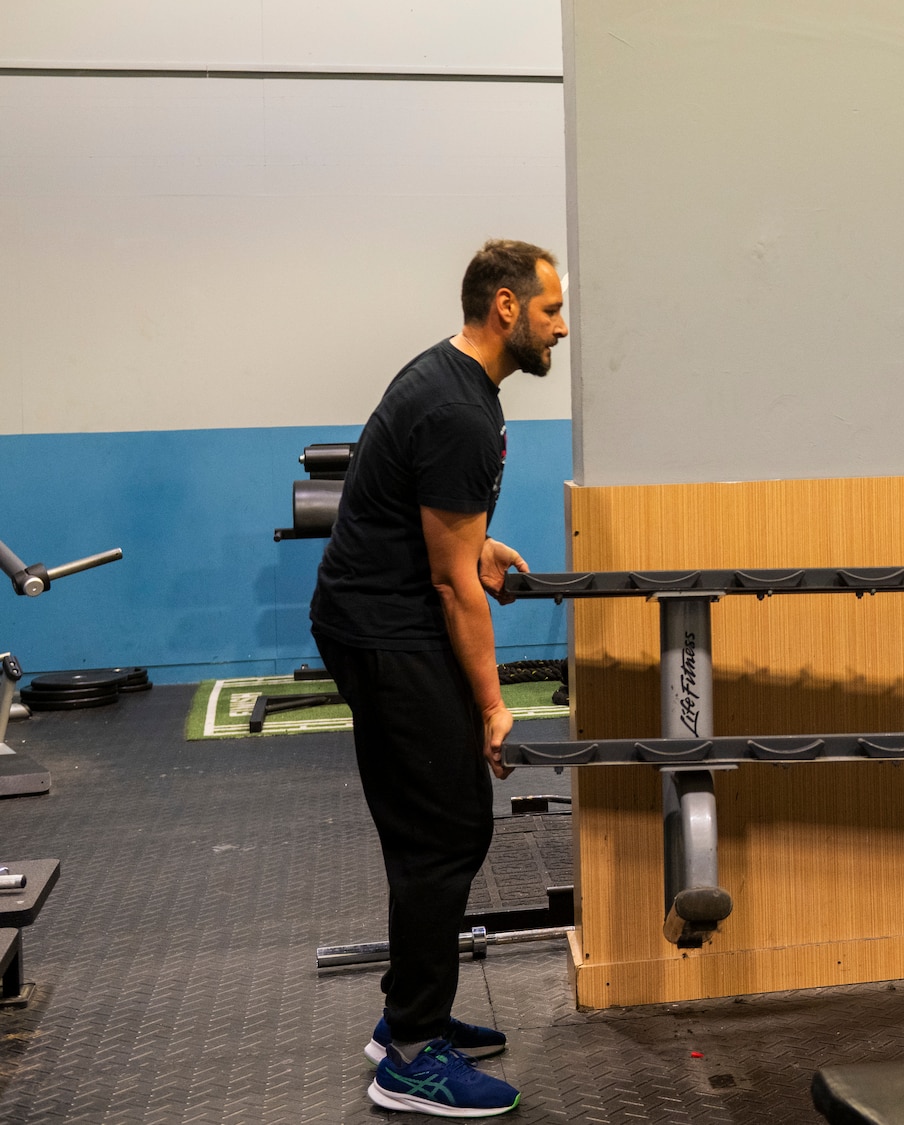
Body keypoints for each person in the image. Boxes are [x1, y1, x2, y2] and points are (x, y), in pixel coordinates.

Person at [311, 239, 566, 1114]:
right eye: (551, 311)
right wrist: (493, 705)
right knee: (447, 829)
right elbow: (457, 588)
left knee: (429, 824)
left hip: (373, 616)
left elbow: (422, 523)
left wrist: (475, 541)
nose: (560, 328)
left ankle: (406, 1018)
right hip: (389, 631)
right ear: (506, 307)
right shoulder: (458, 408)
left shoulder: (447, 380)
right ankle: (411, 1057)